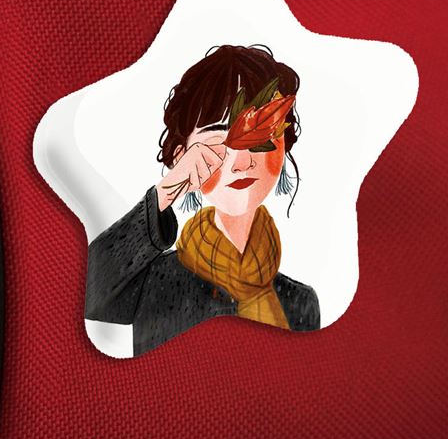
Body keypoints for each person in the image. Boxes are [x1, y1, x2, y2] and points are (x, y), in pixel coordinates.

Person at [85, 44, 320, 356]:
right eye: (220, 138)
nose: (241, 162)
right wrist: (165, 192)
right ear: (180, 155)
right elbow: (85, 293)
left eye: (260, 138)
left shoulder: (299, 302)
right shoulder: (151, 281)